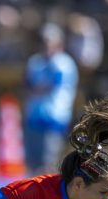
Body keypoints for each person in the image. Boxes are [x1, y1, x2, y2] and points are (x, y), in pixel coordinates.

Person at [23, 23, 79, 175]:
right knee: (32, 160)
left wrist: (36, 88)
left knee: (49, 159)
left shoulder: (64, 63)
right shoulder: (35, 62)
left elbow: (51, 85)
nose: (45, 45)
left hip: (54, 114)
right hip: (34, 113)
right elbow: (27, 84)